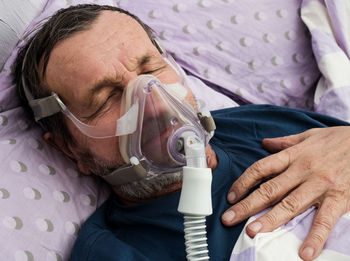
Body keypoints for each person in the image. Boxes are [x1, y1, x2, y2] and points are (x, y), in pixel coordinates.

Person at [12, 4, 350, 261]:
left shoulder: (261, 126)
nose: (156, 105)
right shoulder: (114, 250)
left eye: (151, 68)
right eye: (107, 97)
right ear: (69, 148)